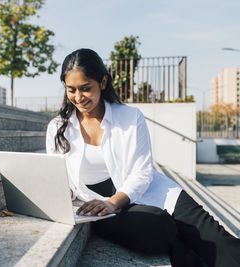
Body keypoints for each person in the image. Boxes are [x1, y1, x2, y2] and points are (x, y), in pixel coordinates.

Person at [46, 48, 240, 267]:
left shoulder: (130, 117)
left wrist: (113, 202)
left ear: (102, 82)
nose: (78, 97)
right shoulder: (58, 127)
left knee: (216, 239)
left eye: (85, 89)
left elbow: (142, 172)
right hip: (97, 206)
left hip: (147, 190)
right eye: (71, 90)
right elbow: (59, 178)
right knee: (158, 229)